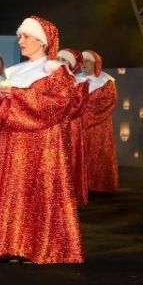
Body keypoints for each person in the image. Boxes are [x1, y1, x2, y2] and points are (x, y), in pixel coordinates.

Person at [0, 16, 82, 264]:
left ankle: (40, 247)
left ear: (43, 42)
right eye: (20, 36)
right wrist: (2, 98)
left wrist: (16, 95)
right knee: (16, 191)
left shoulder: (57, 72)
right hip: (14, 142)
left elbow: (58, 105)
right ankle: (15, 244)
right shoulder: (15, 72)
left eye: (25, 37)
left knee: (39, 191)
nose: (20, 41)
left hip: (43, 142)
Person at [79, 50, 118, 194]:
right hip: (78, 127)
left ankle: (98, 185)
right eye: (82, 61)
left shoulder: (107, 81)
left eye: (87, 61)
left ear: (96, 64)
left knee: (99, 154)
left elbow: (107, 103)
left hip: (99, 127)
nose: (83, 64)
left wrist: (83, 112)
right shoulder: (74, 80)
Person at [58, 48, 89, 204]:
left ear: (72, 64)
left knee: (71, 157)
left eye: (64, 60)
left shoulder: (80, 82)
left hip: (71, 125)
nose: (60, 63)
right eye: (58, 59)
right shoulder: (51, 80)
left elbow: (78, 106)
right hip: (55, 125)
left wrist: (56, 111)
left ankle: (70, 194)